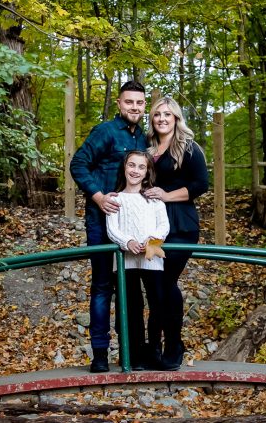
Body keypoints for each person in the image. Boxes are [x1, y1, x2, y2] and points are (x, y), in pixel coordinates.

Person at [69, 80, 147, 372]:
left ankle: (130, 352)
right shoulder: (105, 132)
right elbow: (78, 164)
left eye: (139, 103)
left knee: (130, 288)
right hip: (101, 222)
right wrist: (99, 197)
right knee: (102, 286)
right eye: (129, 102)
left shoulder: (142, 138)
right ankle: (100, 355)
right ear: (119, 103)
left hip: (132, 226)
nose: (135, 108)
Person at [142, 96, 209, 370]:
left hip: (180, 225)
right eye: (157, 114)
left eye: (167, 115)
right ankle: (153, 346)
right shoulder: (147, 151)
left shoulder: (189, 148)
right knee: (155, 286)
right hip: (152, 226)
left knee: (166, 283)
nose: (162, 119)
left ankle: (173, 344)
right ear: (152, 119)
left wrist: (167, 195)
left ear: (176, 119)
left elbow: (201, 185)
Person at [105, 150, 169, 371]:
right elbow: (112, 229)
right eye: (132, 165)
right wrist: (128, 241)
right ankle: (135, 355)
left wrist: (151, 240)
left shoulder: (153, 200)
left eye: (141, 167)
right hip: (126, 262)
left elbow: (164, 225)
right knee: (132, 307)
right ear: (124, 167)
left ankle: (155, 352)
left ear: (147, 172)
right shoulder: (115, 199)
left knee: (158, 304)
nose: (135, 171)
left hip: (152, 258)